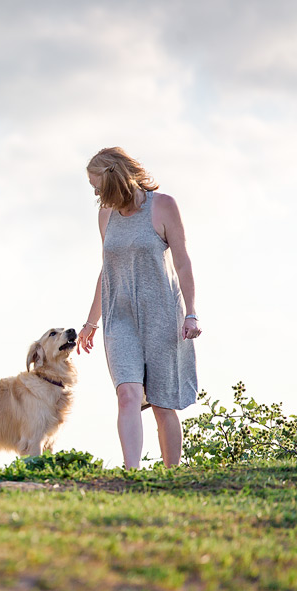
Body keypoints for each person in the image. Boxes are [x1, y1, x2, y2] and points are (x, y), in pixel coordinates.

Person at [77, 147, 200, 469]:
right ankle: (132, 473)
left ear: (114, 177)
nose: (94, 192)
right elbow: (107, 270)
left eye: (97, 185)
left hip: (162, 314)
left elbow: (183, 263)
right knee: (127, 394)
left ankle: (171, 475)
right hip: (120, 318)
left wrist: (191, 312)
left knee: (161, 403)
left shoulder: (163, 206)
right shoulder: (105, 214)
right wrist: (91, 323)